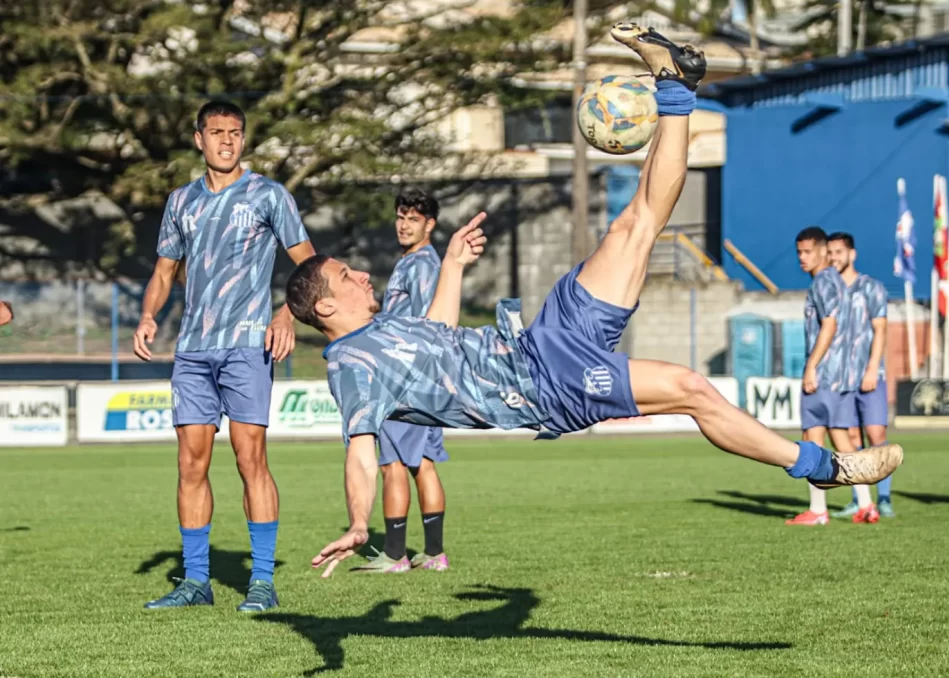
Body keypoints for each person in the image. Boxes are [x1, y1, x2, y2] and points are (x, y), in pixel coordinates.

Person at [284, 24, 903, 576]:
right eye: (346, 277)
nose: (361, 274)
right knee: (690, 386)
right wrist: (359, 523)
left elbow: (443, 336)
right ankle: (827, 470)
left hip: (536, 338)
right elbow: (361, 451)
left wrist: (450, 265)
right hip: (545, 383)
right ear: (327, 307)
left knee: (634, 224)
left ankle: (675, 87)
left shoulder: (386, 322)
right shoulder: (352, 366)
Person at [133, 100, 315, 611]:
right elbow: (164, 273)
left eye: (235, 132)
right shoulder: (180, 202)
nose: (227, 141)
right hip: (192, 349)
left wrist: (286, 314)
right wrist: (149, 316)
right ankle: (195, 583)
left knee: (249, 457)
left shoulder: (269, 195)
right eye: (217, 133)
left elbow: (310, 265)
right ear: (199, 139)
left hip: (247, 344)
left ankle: (261, 582)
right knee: (190, 464)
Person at [355, 188, 451, 574]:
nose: (404, 225)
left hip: (407, 379)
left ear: (430, 224)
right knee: (422, 464)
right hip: (424, 379)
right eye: (400, 217)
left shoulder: (422, 265)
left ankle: (395, 556)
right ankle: (434, 555)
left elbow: (430, 322)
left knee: (392, 464)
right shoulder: (411, 262)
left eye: (413, 219)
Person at [786, 227, 878, 526]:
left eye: (808, 251)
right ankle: (866, 505)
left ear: (823, 252)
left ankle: (817, 510)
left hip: (824, 374)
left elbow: (829, 325)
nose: (802, 257)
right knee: (842, 440)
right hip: (843, 376)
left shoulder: (823, 281)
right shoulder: (837, 281)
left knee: (812, 440)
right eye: (799, 251)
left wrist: (811, 366)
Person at [826, 233, 895, 519]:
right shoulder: (827, 290)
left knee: (876, 434)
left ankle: (886, 498)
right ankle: (860, 499)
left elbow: (880, 330)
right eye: (829, 252)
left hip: (869, 375)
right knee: (849, 436)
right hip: (839, 379)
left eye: (838, 252)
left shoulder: (872, 288)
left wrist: (871, 368)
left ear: (852, 254)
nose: (833, 257)